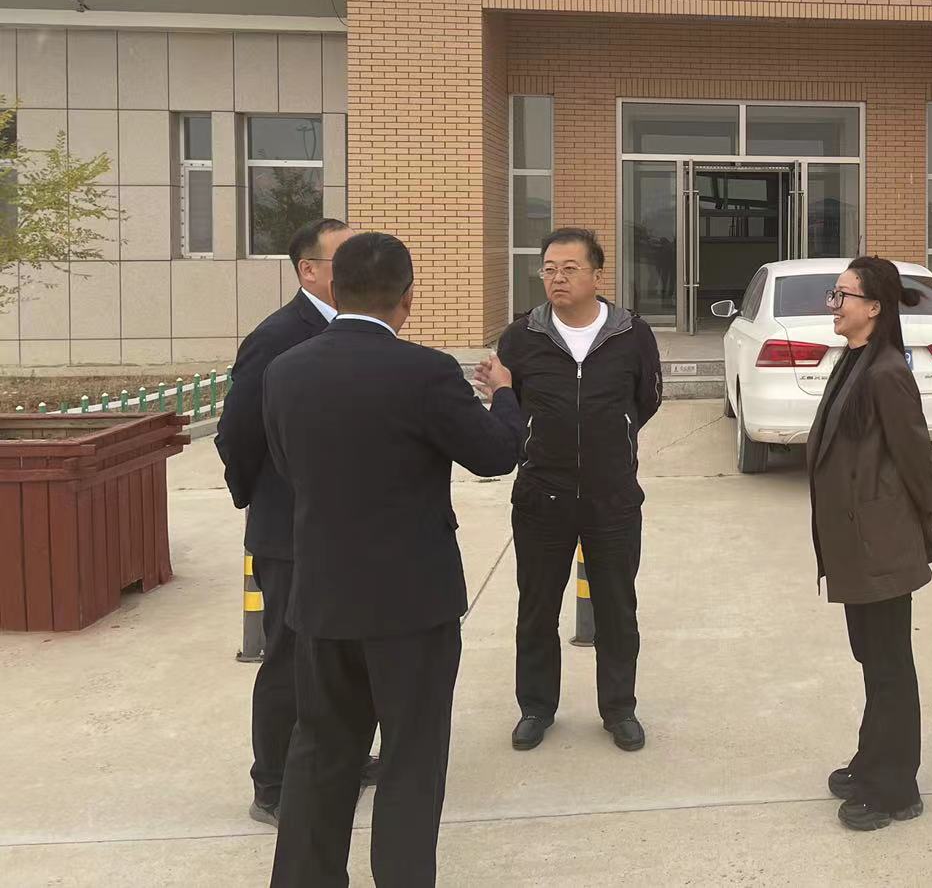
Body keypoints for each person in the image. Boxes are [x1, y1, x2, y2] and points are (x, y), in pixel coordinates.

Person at [263, 232, 525, 888]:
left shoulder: (285, 370)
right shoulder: (426, 372)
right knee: (411, 760)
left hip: (322, 597)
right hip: (412, 605)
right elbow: (495, 454)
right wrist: (505, 395)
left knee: (320, 751)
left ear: (333, 288)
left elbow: (289, 467)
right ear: (408, 298)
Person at [216, 217, 379, 827]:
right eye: (344, 258)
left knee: (346, 652)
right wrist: (260, 498)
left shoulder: (363, 329)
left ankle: (344, 756)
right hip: (289, 531)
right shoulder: (279, 336)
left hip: (348, 530)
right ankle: (274, 784)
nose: (359, 268)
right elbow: (238, 432)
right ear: (308, 270)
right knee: (290, 659)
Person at [496, 226, 662, 754]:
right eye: (549, 269)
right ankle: (535, 708)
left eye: (570, 268)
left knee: (617, 609)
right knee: (536, 608)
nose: (557, 278)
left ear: (597, 274)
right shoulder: (521, 337)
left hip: (612, 497)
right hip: (541, 496)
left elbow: (647, 398)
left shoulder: (632, 334)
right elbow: (510, 402)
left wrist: (613, 435)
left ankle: (619, 709)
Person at [807, 255, 932, 833]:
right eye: (834, 294)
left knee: (889, 665)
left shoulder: (887, 371)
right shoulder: (855, 359)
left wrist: (926, 524)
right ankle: (872, 761)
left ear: (873, 307)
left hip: (881, 543)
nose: (833, 305)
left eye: (842, 295)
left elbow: (917, 459)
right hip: (858, 543)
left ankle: (895, 790)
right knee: (873, 658)